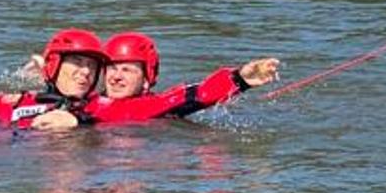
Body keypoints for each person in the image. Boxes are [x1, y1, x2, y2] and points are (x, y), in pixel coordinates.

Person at [74, 31, 281, 125]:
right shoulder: (85, 100)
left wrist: (240, 79)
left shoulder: (154, 106)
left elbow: (198, 94)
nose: (116, 77)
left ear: (146, 79)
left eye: (127, 70)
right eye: (112, 68)